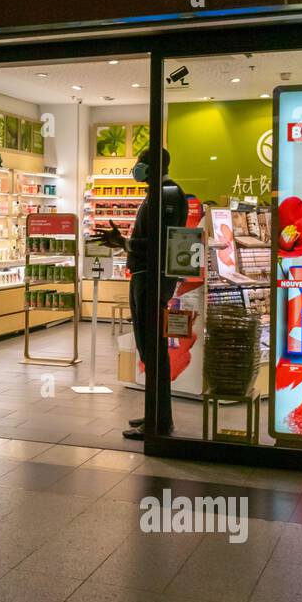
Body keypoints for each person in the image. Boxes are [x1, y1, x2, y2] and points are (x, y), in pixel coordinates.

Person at [100, 147, 188, 439]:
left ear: (152, 166)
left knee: (154, 349)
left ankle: (160, 422)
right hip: (144, 276)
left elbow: (162, 242)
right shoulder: (158, 193)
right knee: (148, 349)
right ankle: (155, 414)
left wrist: (125, 243)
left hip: (153, 278)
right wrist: (123, 243)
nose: (135, 167)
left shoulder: (169, 194)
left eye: (140, 162)